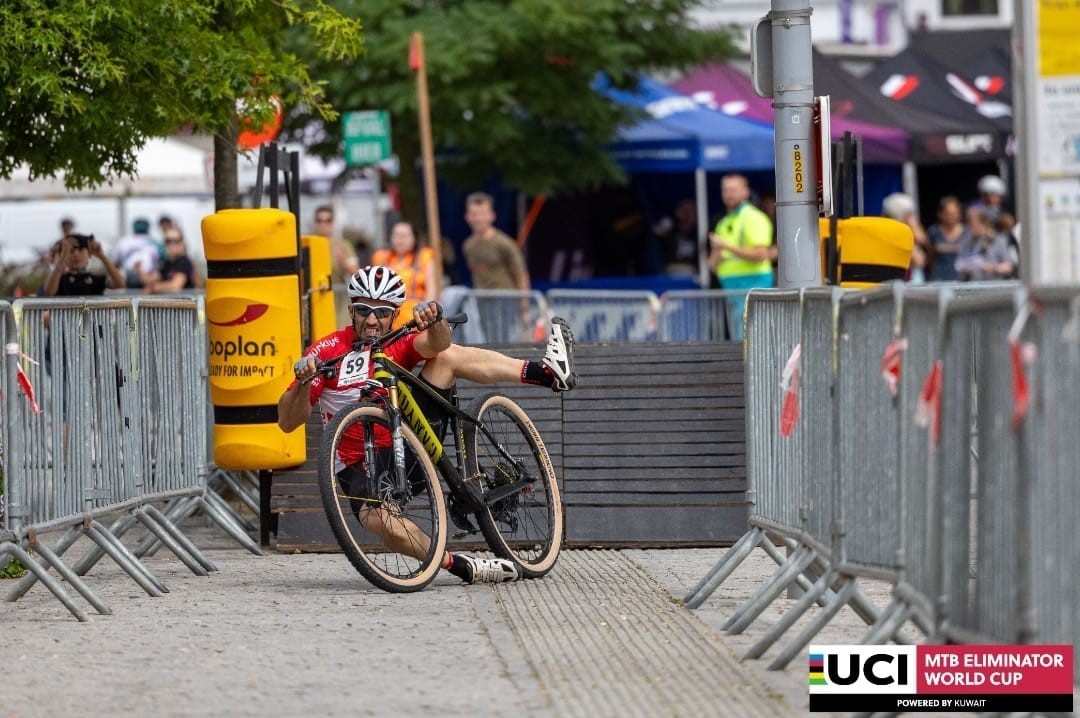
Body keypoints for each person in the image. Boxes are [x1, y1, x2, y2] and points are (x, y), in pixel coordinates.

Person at [278, 266, 577, 584]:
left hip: (408, 444)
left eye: (381, 312)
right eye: (363, 310)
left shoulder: (397, 340)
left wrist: (435, 321)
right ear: (351, 310)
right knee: (379, 522)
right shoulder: (327, 351)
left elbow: (438, 343)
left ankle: (545, 372)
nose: (371, 320)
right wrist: (302, 383)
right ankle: (458, 564)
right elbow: (287, 422)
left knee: (446, 357)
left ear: (393, 314)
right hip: (358, 465)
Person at [707, 174, 775, 341]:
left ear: (745, 192)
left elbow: (760, 255)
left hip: (754, 285)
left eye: (733, 190)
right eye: (726, 190)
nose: (729, 194)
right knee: (740, 341)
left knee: (756, 340)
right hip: (732, 289)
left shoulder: (753, 218)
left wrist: (726, 247)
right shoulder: (723, 221)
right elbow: (713, 265)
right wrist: (717, 256)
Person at [370, 221, 438, 327]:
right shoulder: (380, 257)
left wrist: (427, 316)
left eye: (404, 236)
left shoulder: (425, 256)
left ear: (414, 238)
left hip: (415, 318)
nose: (400, 240)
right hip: (386, 318)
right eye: (396, 235)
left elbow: (432, 291)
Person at [462, 192, 529, 292]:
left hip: (506, 300)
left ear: (492, 216)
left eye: (483, 214)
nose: (479, 219)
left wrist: (524, 301)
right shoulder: (468, 246)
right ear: (467, 217)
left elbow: (520, 273)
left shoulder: (504, 243)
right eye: (474, 214)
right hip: (481, 301)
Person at [43, 233, 125, 297]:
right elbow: (49, 291)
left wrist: (102, 256)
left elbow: (120, 284)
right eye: (71, 251)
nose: (76, 255)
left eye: (81, 249)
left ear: (89, 254)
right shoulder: (59, 279)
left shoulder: (94, 279)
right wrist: (63, 255)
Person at [955, 206, 1016, 281]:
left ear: (984, 223)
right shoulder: (967, 240)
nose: (970, 226)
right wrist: (964, 268)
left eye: (972, 223)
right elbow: (960, 262)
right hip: (972, 287)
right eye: (969, 222)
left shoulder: (998, 240)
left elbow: (1009, 267)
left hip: (993, 286)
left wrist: (993, 268)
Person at [881, 192, 930, 282]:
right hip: (898, 280)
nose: (912, 217)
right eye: (909, 214)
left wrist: (913, 226)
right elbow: (919, 261)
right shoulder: (892, 232)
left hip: (911, 277)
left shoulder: (909, 229)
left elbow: (922, 239)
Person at [926, 195, 972, 282]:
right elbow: (930, 257)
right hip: (938, 278)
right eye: (948, 213)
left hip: (962, 280)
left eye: (955, 213)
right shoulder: (933, 231)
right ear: (940, 213)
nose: (952, 217)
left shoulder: (967, 232)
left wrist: (942, 248)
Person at [139, 226, 197, 293]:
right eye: (168, 241)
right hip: (171, 302)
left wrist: (154, 287)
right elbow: (150, 279)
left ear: (182, 243)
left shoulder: (184, 261)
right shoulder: (166, 263)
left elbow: (175, 286)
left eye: (176, 241)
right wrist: (140, 270)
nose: (172, 244)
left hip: (184, 302)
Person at [313, 205, 361, 284]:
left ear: (333, 223)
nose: (323, 224)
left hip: (337, 295)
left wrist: (343, 259)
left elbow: (356, 274)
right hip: (314, 294)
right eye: (319, 220)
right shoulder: (307, 245)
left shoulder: (343, 245)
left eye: (328, 221)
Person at [654, 199, 700, 277]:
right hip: (671, 271)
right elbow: (655, 233)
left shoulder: (697, 234)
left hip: (691, 272)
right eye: (685, 210)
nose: (687, 215)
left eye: (691, 212)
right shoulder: (670, 230)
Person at [113, 218, 162, 289]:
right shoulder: (156, 242)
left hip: (147, 282)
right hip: (135, 281)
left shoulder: (123, 241)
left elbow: (116, 264)